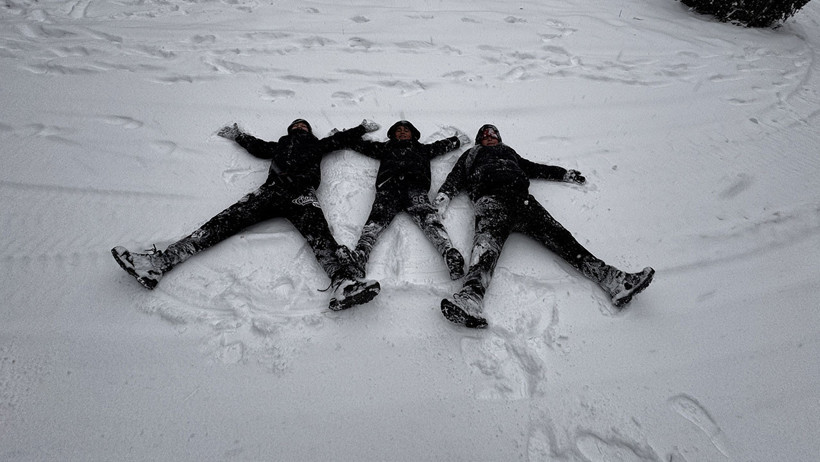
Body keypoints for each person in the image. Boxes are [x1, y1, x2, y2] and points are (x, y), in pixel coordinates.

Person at [111, 118, 382, 312]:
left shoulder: (317, 145)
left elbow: (339, 140)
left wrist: (360, 128)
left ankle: (343, 284)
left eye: (304, 126)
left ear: (310, 131)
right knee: (220, 224)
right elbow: (257, 147)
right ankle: (159, 264)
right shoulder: (279, 145)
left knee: (321, 238)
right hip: (270, 191)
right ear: (290, 130)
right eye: (296, 126)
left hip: (303, 194)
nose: (300, 128)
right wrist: (238, 136)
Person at [434, 124, 654, 328]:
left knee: (562, 238)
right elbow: (456, 176)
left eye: (493, 135)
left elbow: (536, 168)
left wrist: (563, 174)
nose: (489, 138)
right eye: (484, 135)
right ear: (479, 140)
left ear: (499, 139)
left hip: (524, 201)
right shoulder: (472, 154)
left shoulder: (509, 153)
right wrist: (444, 195)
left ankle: (614, 281)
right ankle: (470, 299)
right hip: (491, 202)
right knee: (485, 249)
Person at [348, 120, 470, 283]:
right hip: (388, 189)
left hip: (415, 188)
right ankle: (360, 255)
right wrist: (344, 137)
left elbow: (440, 146)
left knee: (429, 220)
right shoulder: (386, 148)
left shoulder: (421, 149)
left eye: (406, 130)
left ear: (413, 134)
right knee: (375, 222)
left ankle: (449, 254)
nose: (402, 132)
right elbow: (364, 146)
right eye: (399, 130)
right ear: (393, 135)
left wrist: (457, 141)